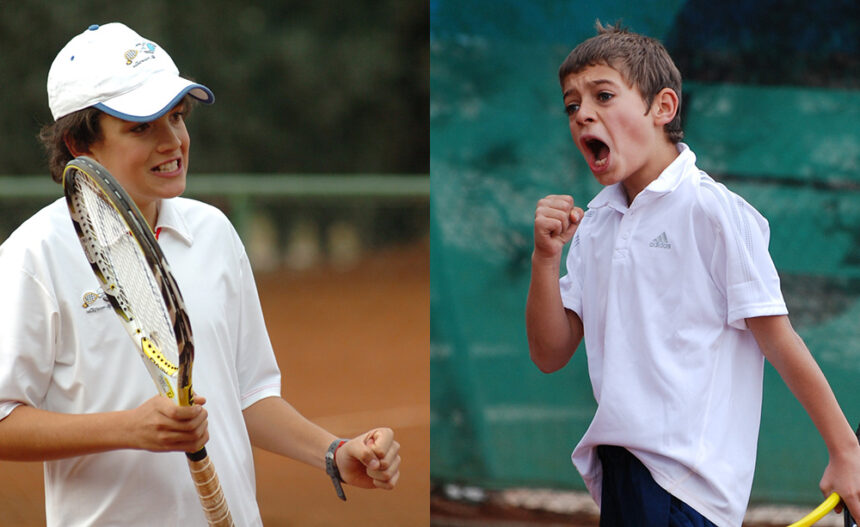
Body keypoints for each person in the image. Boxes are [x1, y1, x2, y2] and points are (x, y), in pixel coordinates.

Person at [0, 22, 400, 526]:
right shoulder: (33, 254)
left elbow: (249, 393)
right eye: (141, 127)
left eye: (177, 117)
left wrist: (334, 452)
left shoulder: (213, 232)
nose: (173, 142)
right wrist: (129, 428)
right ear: (81, 143)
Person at [525, 22, 860, 526]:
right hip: (620, 474)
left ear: (663, 107)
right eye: (572, 105)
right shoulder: (593, 226)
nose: (583, 114)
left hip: (684, 489)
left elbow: (779, 340)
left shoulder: (714, 212)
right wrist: (545, 260)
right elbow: (550, 353)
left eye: (603, 95)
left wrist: (846, 452)